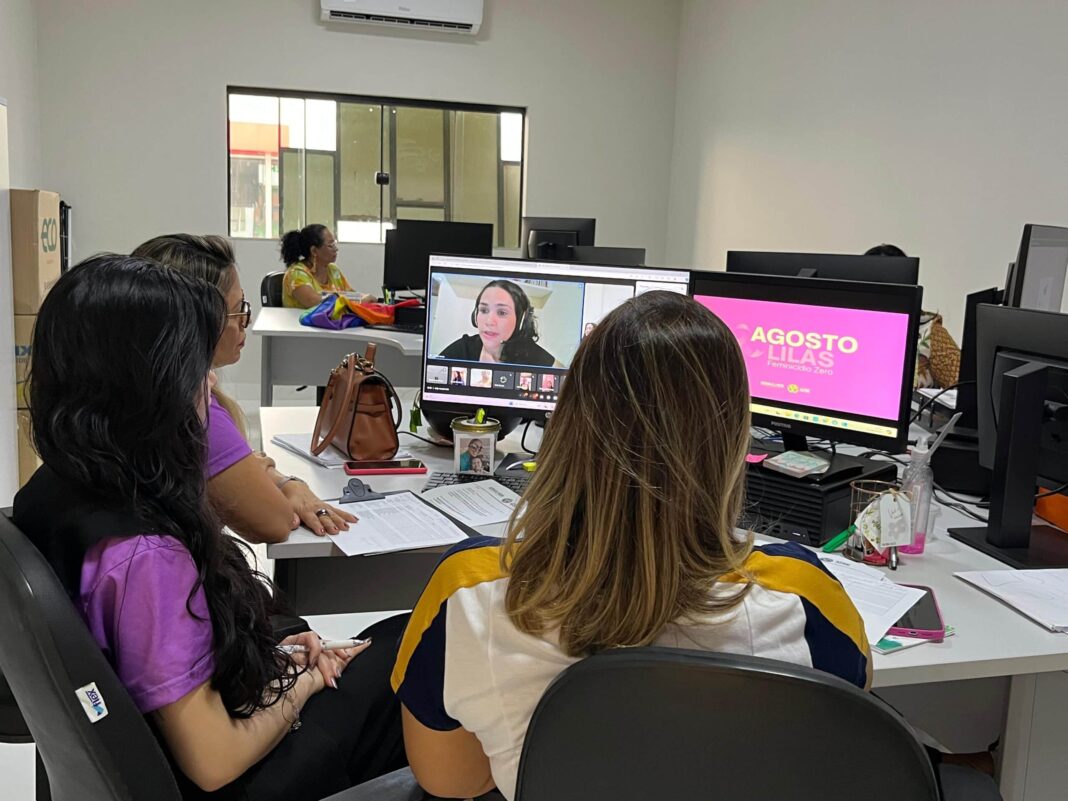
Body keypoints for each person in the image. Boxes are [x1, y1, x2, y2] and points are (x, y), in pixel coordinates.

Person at [391, 291, 870, 800]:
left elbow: (452, 781)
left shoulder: (467, 589)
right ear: (732, 436)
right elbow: (844, 749)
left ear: (569, 420)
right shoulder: (803, 593)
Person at [13, 255, 407, 801]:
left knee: (396, 638)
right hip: (240, 780)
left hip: (184, 739)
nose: (213, 380)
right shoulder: (146, 558)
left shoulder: (58, 487)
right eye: (197, 369)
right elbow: (213, 760)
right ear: (152, 389)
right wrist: (305, 684)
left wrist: (277, 664)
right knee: (423, 655)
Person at [133, 234, 355, 540]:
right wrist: (280, 479)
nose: (245, 322)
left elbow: (240, 461)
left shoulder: (138, 389)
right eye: (238, 310)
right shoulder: (194, 414)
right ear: (197, 321)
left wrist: (270, 474)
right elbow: (276, 522)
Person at [439, 279, 557, 367]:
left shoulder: (535, 356)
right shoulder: (464, 348)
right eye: (484, 310)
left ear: (521, 320)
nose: (489, 321)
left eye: (501, 312)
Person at [279, 224, 370, 308]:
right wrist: (358, 300)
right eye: (331, 245)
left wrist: (366, 298)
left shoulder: (333, 270)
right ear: (314, 251)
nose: (336, 249)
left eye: (334, 244)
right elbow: (314, 301)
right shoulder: (296, 274)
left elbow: (350, 294)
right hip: (298, 325)